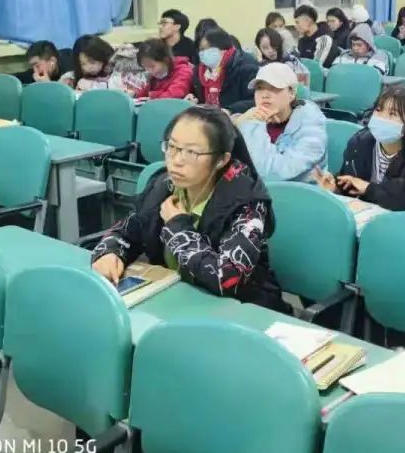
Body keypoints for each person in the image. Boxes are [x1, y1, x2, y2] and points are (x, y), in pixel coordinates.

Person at [91, 106, 285, 309]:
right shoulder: (164, 185)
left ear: (221, 160)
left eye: (191, 152)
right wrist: (110, 253)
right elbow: (126, 230)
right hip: (178, 299)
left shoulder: (246, 201)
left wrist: (178, 227)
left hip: (241, 309)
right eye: (172, 147)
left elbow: (227, 279)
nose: (176, 161)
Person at [313, 86, 405, 211]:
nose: (382, 118)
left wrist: (369, 189)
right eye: (379, 110)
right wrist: (336, 188)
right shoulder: (360, 143)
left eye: (393, 114)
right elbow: (353, 184)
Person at [234, 63, 327, 183]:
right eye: (260, 88)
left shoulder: (312, 127)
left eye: (274, 88)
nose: (265, 95)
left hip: (295, 192)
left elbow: (272, 174)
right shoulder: (251, 117)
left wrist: (253, 124)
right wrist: (240, 122)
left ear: (292, 93)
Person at [190, 28, 258, 112]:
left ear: (223, 48)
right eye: (201, 49)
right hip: (208, 116)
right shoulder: (199, 71)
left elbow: (255, 100)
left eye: (207, 48)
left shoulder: (245, 65)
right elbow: (197, 97)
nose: (203, 53)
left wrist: (230, 110)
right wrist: (192, 98)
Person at [60, 35, 127, 92]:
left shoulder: (117, 75)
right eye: (83, 64)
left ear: (102, 55)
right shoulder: (70, 78)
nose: (88, 68)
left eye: (92, 62)